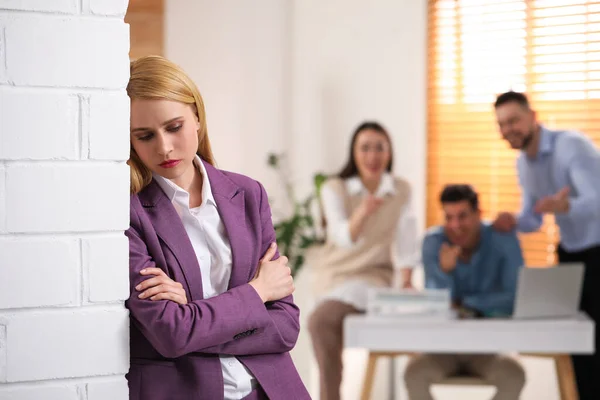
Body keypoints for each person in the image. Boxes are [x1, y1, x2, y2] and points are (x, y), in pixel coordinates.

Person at [124, 55, 309, 400]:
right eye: (145, 135)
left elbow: (285, 326)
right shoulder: (129, 213)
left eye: (174, 127)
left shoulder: (248, 194)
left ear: (196, 117)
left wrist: (194, 315)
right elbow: (171, 335)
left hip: (271, 390)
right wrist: (256, 294)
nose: (164, 147)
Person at [492, 91, 600, 399]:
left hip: (597, 251)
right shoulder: (524, 164)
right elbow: (534, 218)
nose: (508, 129)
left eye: (514, 120)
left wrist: (566, 207)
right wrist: (513, 221)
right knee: (575, 345)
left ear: (533, 117)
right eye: (501, 124)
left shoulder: (572, 147)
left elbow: (596, 200)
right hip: (570, 254)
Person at [307, 121, 418, 400]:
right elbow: (342, 236)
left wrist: (406, 280)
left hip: (375, 278)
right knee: (321, 321)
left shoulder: (401, 190)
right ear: (353, 153)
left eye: (380, 148)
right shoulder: (335, 188)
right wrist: (364, 211)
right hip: (336, 277)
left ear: (389, 153)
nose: (372, 156)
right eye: (365, 148)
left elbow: (407, 237)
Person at [405, 184, 525, 400]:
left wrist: (463, 302)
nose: (455, 225)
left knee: (514, 375)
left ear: (479, 214)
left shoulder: (502, 239)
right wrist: (445, 273)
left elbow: (514, 299)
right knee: (414, 374)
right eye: (448, 217)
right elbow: (436, 304)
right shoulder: (433, 243)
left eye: (463, 216)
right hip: (443, 348)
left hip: (489, 348)